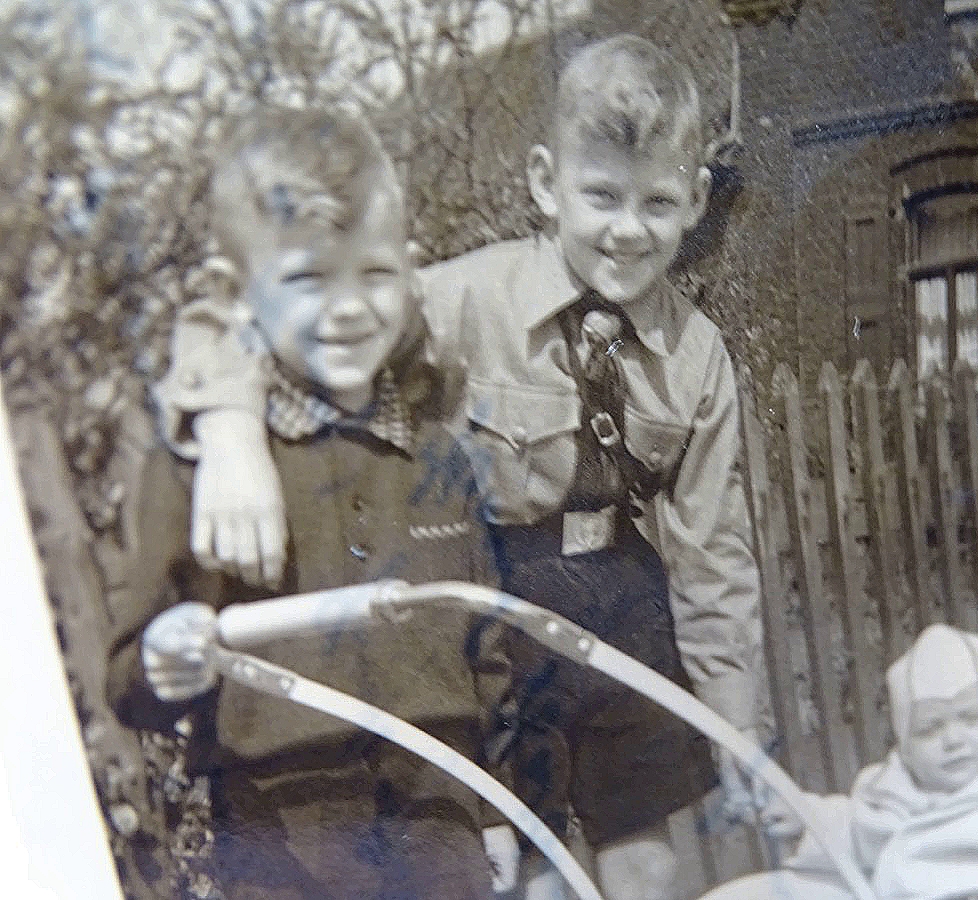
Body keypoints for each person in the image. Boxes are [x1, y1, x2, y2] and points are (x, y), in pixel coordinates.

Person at [154, 35, 768, 900]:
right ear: (546, 184)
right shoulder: (459, 298)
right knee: (523, 854)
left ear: (695, 200)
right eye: (602, 196)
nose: (628, 230)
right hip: (499, 602)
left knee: (646, 854)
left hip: (628, 606)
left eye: (657, 202)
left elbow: (715, 554)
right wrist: (227, 426)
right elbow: (278, 312)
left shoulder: (699, 359)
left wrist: (736, 723)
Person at [106, 106, 512, 900]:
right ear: (239, 296)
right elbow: (128, 677)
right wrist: (166, 658)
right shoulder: (200, 471)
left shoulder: (440, 455)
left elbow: (486, 645)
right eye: (306, 279)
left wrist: (495, 805)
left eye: (373, 272)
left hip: (439, 828)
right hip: (280, 842)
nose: (349, 307)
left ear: (410, 268)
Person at [753, 624, 978, 900]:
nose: (953, 740)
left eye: (971, 717)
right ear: (905, 747)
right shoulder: (894, 794)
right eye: (929, 729)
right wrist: (805, 817)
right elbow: (853, 828)